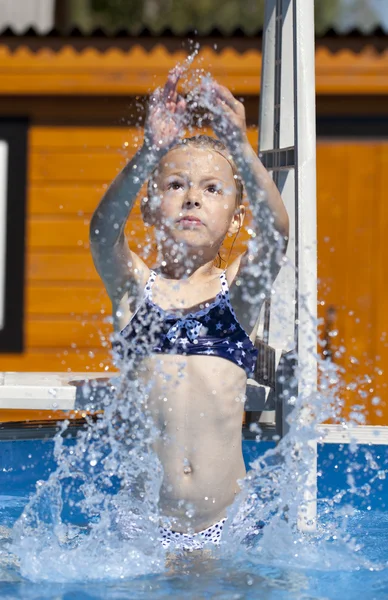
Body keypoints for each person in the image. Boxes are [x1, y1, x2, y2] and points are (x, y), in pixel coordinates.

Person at [89, 69, 289, 551]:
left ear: (237, 218)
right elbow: (101, 233)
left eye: (212, 189)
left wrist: (240, 145)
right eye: (175, 184)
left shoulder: (237, 295)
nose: (192, 196)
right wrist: (150, 152)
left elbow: (277, 232)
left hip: (226, 526)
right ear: (150, 209)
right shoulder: (135, 289)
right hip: (143, 525)